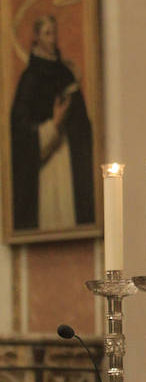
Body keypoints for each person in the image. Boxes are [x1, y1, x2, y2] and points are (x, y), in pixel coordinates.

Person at [10, 14, 94, 231]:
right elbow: (19, 130)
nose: (52, 39)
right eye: (47, 33)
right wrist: (54, 124)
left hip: (67, 157)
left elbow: (82, 125)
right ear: (36, 38)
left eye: (54, 33)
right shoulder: (30, 79)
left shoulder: (65, 73)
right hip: (44, 165)